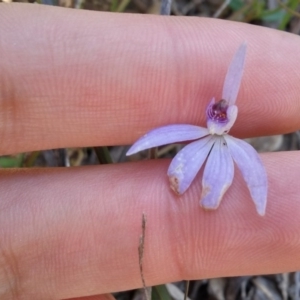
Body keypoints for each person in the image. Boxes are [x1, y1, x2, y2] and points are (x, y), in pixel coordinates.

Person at [0, 3, 300, 300]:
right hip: (200, 144)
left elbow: (255, 177)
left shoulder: (239, 149)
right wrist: (140, 146)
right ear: (212, 111)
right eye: (217, 109)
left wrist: (260, 204)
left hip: (209, 147)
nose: (219, 111)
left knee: (212, 192)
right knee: (182, 184)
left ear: (230, 114)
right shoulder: (196, 131)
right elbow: (150, 140)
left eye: (223, 110)